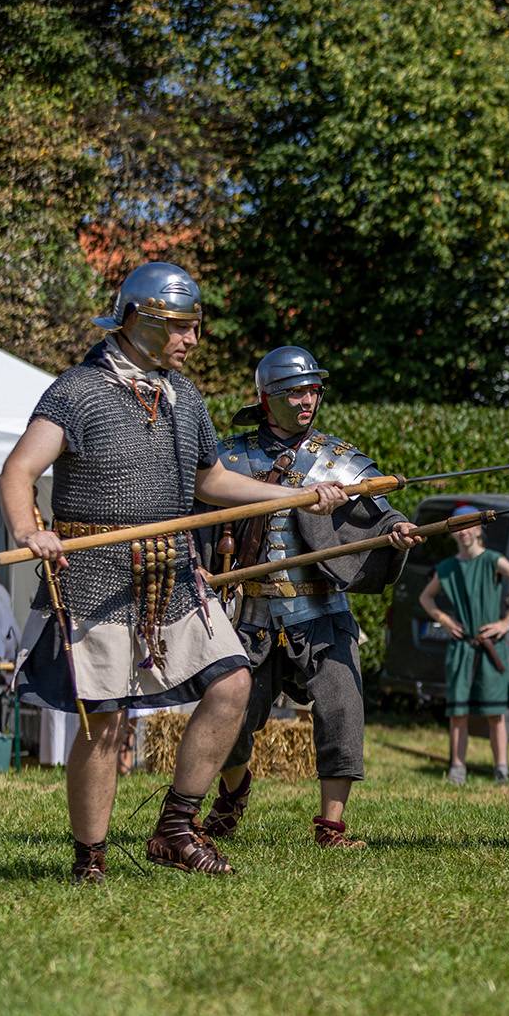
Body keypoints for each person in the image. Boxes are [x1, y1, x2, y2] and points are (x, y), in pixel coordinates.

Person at [0, 262, 346, 884]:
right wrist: (31, 530)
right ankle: (90, 860)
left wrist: (295, 496)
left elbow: (211, 481)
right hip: (98, 573)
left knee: (232, 681)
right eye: (181, 327)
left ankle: (177, 828)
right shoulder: (78, 390)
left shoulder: (185, 397)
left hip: (172, 572)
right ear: (139, 321)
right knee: (105, 724)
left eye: (195, 326)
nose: (192, 339)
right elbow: (20, 470)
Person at [199, 346, 419, 850]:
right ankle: (234, 792)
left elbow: (381, 511)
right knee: (230, 719)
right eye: (296, 392)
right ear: (266, 398)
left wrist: (397, 530)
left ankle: (331, 827)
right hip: (249, 612)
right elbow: (198, 522)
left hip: (320, 610)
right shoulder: (228, 459)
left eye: (313, 391)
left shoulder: (336, 459)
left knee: (342, 709)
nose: (307, 401)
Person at [419, 505, 509, 785]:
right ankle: (457, 768)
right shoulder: (447, 568)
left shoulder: (493, 560)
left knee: (495, 712)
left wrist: (507, 622)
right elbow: (425, 598)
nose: (464, 532)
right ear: (452, 533)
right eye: (458, 527)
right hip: (462, 647)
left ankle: (501, 770)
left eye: (468, 525)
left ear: (479, 528)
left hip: (491, 646)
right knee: (458, 712)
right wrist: (445, 620)